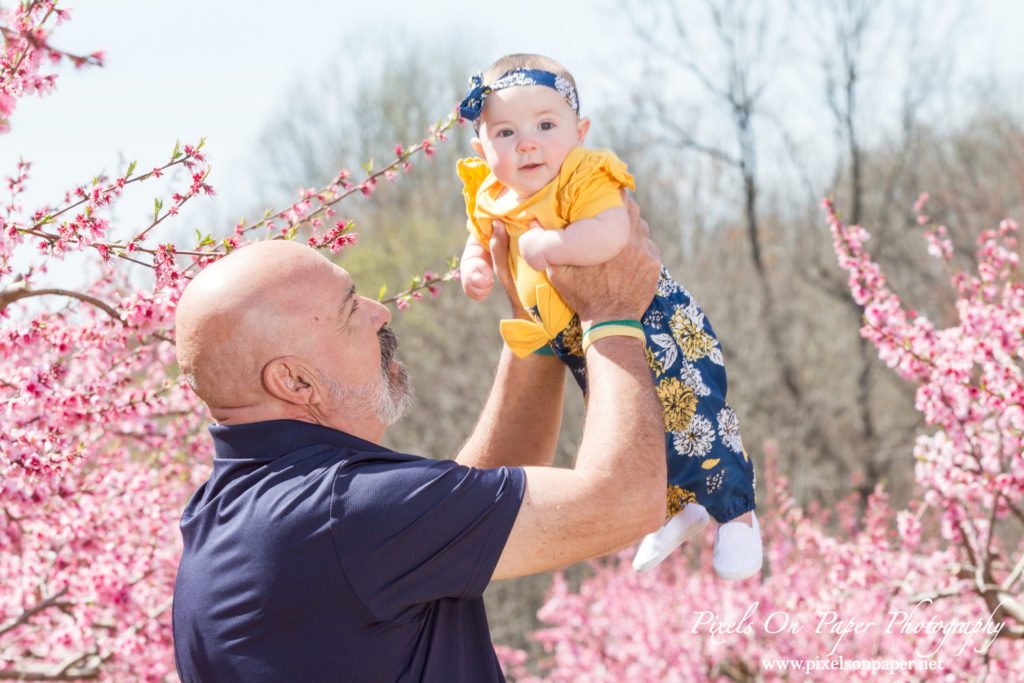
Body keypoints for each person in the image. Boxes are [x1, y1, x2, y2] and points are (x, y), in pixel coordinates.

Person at [171, 201, 667, 682]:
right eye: (350, 311)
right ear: (296, 383)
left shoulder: (238, 509)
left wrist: (535, 324)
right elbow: (625, 501)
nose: (379, 313)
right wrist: (611, 314)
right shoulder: (340, 514)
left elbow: (470, 500)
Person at [456, 53, 762, 578]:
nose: (527, 142)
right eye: (505, 132)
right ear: (481, 147)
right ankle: (678, 509)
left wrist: (554, 245)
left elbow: (611, 231)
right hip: (579, 332)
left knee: (690, 412)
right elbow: (478, 242)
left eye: (546, 125)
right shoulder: (490, 195)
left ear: (580, 132)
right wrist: (475, 267)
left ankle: (738, 516)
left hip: (650, 317)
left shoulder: (582, 173)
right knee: (634, 424)